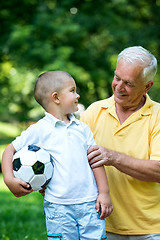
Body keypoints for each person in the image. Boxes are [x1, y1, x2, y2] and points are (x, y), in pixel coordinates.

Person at [2, 70, 113, 240]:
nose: (78, 95)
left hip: (90, 205)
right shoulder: (39, 129)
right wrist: (9, 179)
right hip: (58, 208)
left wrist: (104, 193)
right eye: (72, 90)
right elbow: (9, 150)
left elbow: (95, 161)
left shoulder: (82, 129)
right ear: (56, 98)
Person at [81, 46, 160, 240]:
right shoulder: (93, 112)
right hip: (101, 223)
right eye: (117, 77)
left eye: (129, 83)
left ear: (147, 86)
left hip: (150, 229)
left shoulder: (157, 116)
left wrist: (113, 157)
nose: (118, 87)